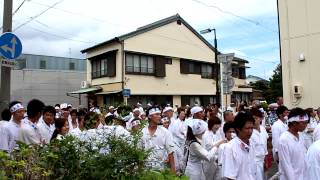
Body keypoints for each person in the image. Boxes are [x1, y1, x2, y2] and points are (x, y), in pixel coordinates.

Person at [222, 112, 256, 180]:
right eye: (247, 128)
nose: (250, 131)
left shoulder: (252, 144)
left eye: (252, 128)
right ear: (238, 128)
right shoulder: (230, 147)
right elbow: (230, 176)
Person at [140, 108, 176, 172]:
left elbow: (170, 152)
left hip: (161, 169)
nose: (159, 117)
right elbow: (139, 151)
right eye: (157, 114)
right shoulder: (142, 132)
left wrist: (173, 171)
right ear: (150, 116)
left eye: (160, 115)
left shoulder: (165, 132)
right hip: (145, 170)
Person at [278, 107, 308, 180]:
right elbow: (286, 166)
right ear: (294, 123)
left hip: (303, 176)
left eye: (306, 122)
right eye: (303, 123)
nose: (305, 125)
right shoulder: (284, 139)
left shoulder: (301, 135)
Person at [250, 108, 269, 180]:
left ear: (261, 119)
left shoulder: (263, 129)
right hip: (254, 161)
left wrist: (266, 161)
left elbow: (265, 145)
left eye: (256, 118)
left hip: (263, 160)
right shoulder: (249, 132)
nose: (254, 120)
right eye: (252, 118)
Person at [168, 108, 187, 173]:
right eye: (181, 114)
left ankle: (181, 170)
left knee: (183, 156)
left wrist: (184, 134)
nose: (183, 115)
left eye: (184, 114)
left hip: (183, 141)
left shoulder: (184, 122)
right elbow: (176, 132)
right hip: (177, 141)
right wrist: (183, 135)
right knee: (179, 156)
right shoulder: (176, 122)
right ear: (178, 114)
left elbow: (185, 131)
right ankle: (177, 170)